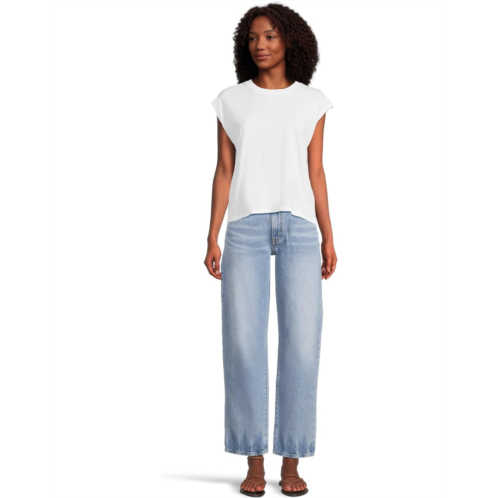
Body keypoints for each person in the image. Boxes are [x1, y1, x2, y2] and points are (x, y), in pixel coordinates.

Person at [204, 3, 338, 496]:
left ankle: (292, 461)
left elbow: (316, 171)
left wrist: (328, 234)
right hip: (245, 227)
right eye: (252, 38)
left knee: (301, 343)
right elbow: (224, 169)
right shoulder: (231, 101)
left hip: (300, 228)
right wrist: (212, 233)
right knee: (243, 343)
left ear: (290, 41)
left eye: (270, 36)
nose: (260, 45)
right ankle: (254, 460)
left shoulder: (312, 101)